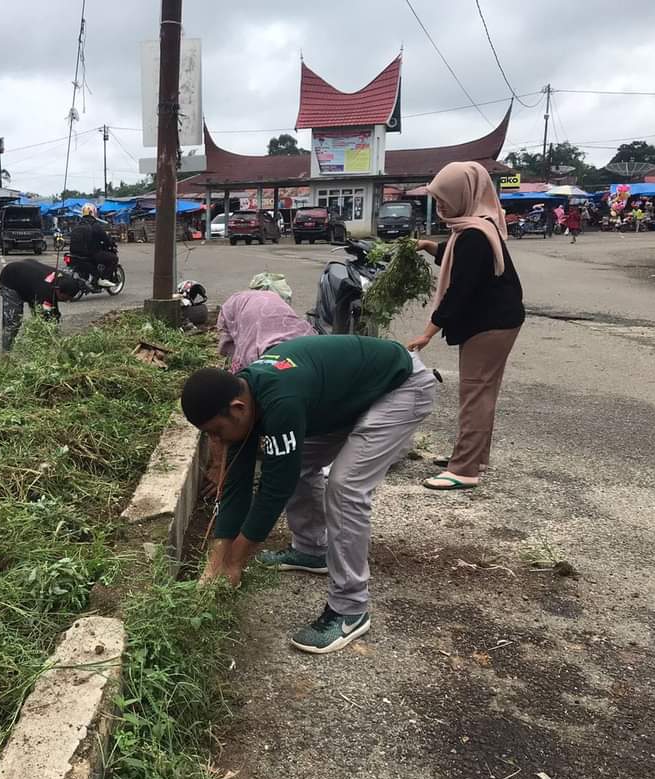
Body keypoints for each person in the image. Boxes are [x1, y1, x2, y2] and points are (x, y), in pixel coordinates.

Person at [181, 335, 436, 654]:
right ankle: (313, 549)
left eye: (217, 432)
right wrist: (214, 564)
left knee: (345, 487)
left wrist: (235, 563)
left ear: (237, 408)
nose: (217, 441)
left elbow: (275, 489)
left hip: (400, 387)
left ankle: (350, 608)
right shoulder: (246, 398)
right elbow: (237, 486)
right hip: (354, 394)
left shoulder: (280, 401)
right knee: (295, 463)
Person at [406, 161, 525, 491]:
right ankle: (473, 458)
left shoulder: (474, 234)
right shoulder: (475, 226)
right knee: (483, 391)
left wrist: (427, 332)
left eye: (445, 198)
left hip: (488, 324)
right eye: (438, 199)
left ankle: (464, 470)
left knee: (475, 394)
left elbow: (460, 289)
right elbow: (456, 256)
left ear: (465, 194)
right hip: (498, 320)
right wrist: (429, 246)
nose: (441, 205)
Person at [202, 289, 316, 496]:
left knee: (303, 463)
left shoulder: (296, 370)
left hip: (271, 324)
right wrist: (220, 465)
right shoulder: (249, 364)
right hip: (246, 311)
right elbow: (223, 415)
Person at [0, 259, 81, 351]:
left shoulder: (65, 279)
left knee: (40, 317)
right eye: (65, 298)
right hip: (11, 277)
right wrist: (56, 338)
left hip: (30, 280)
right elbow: (48, 314)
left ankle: (40, 346)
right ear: (58, 290)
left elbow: (53, 312)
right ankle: (6, 353)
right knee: (13, 320)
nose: (67, 301)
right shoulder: (45, 290)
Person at [68, 203, 117, 287]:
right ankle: (103, 279)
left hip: (75, 253)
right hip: (91, 254)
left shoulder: (78, 225)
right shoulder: (95, 225)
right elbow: (105, 238)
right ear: (93, 212)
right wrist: (111, 243)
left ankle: (93, 278)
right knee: (114, 258)